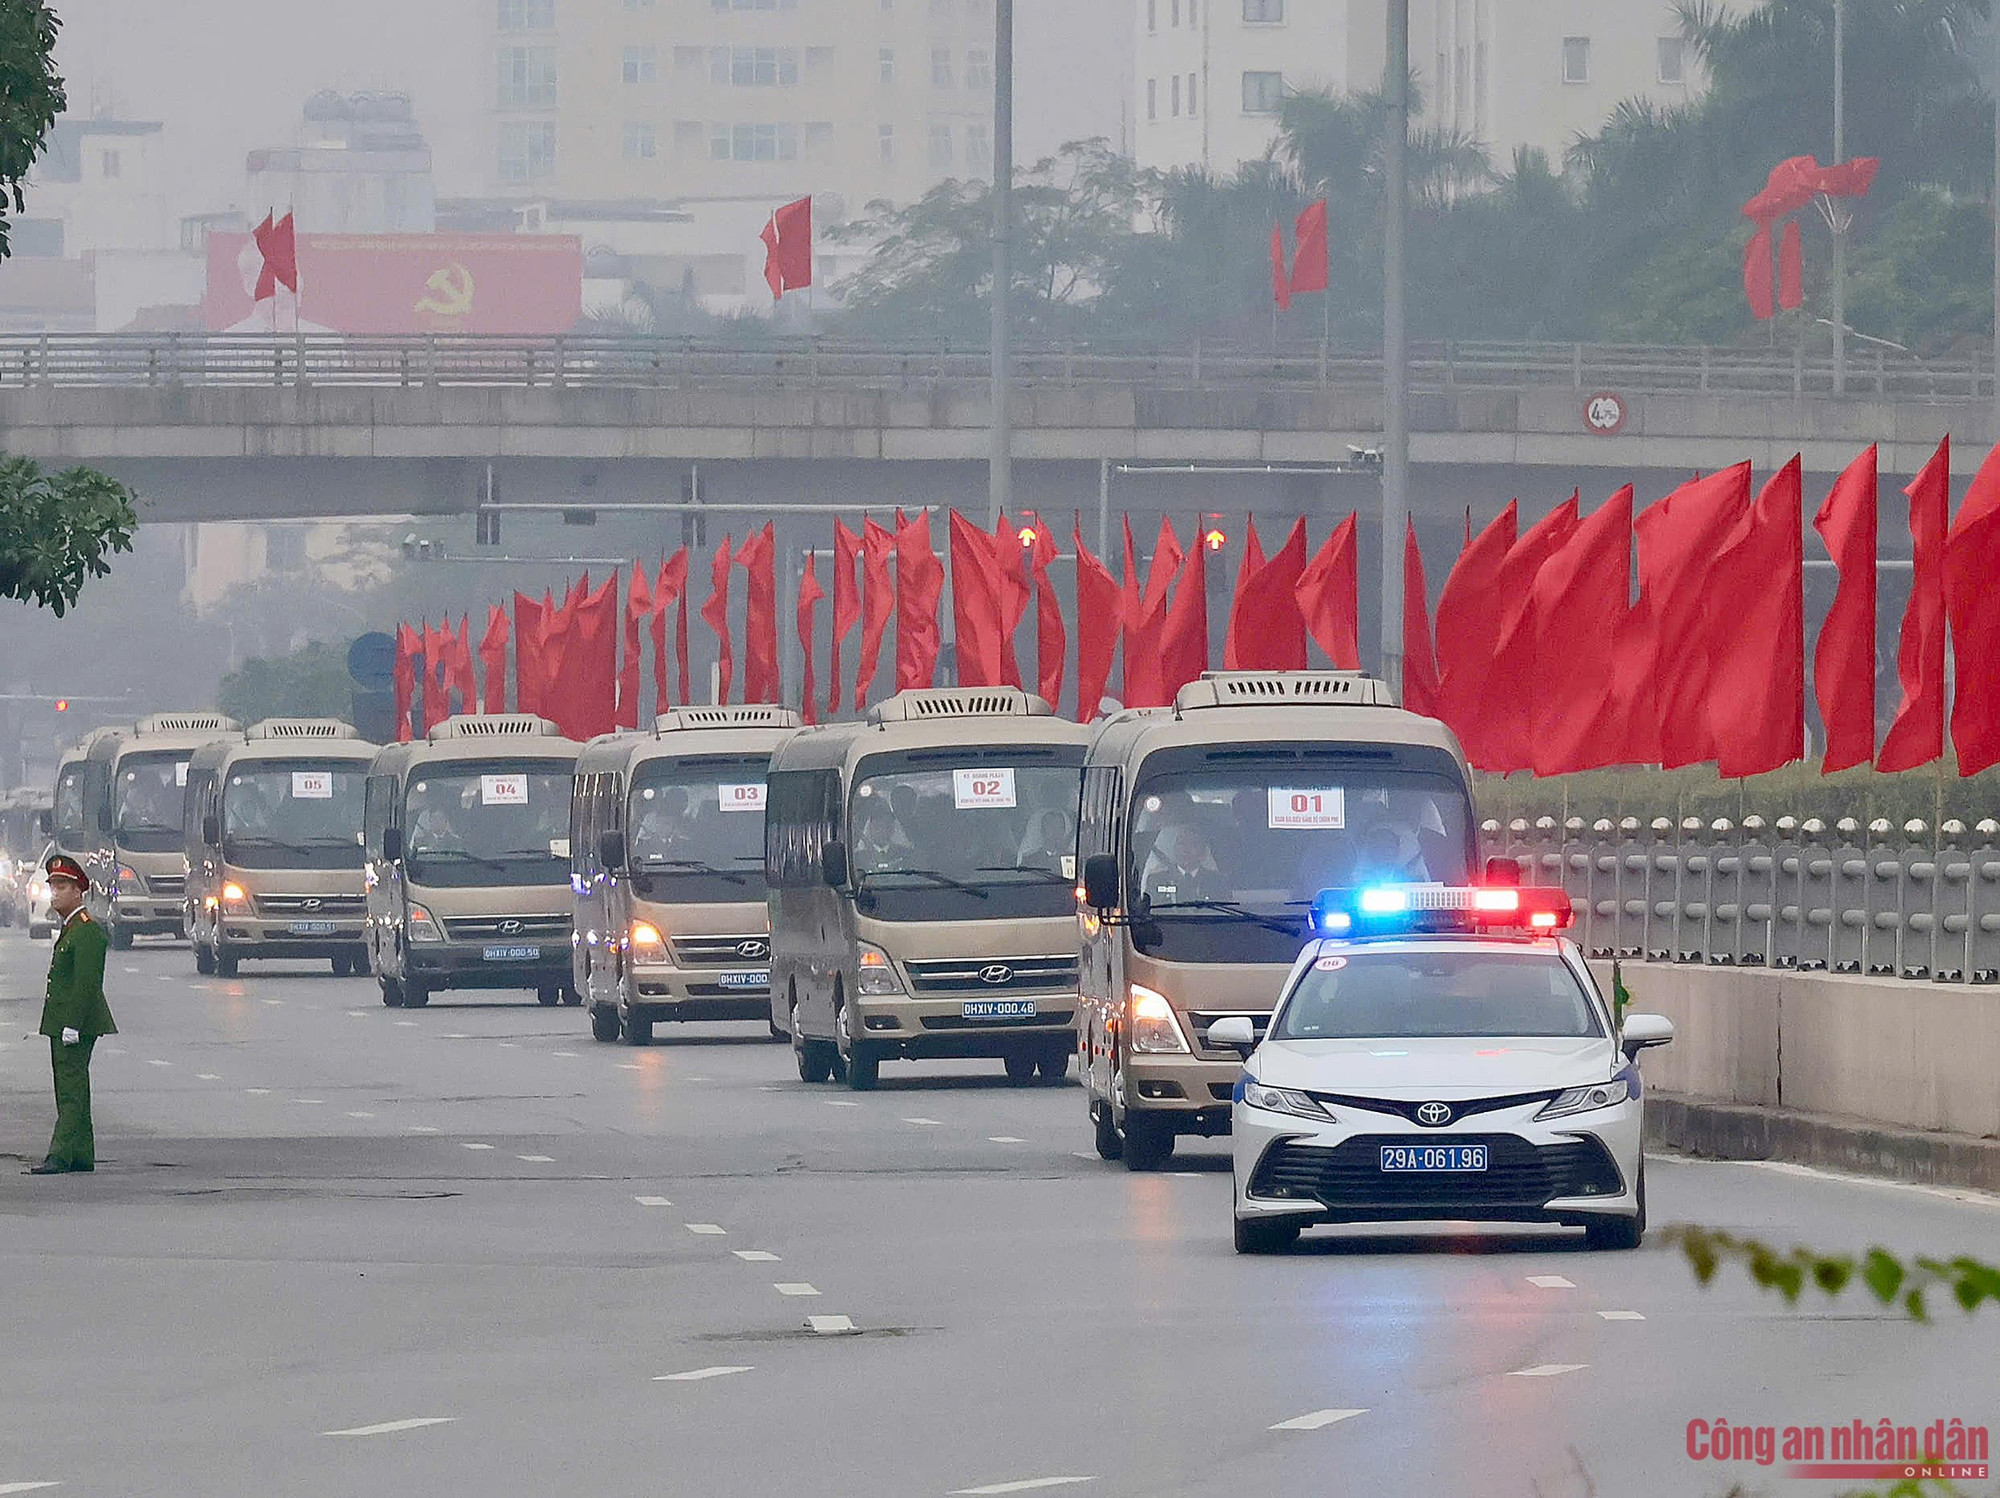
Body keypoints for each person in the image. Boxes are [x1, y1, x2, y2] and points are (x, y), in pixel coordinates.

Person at [31, 854, 116, 1175]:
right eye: (53, 886)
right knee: (73, 1088)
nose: (55, 893)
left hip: (74, 1025)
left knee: (70, 1092)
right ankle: (81, 1154)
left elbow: (87, 985)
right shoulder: (71, 929)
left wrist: (73, 1025)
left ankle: (60, 1155)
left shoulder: (87, 932)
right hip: (64, 1023)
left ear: (78, 891)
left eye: (62, 886)